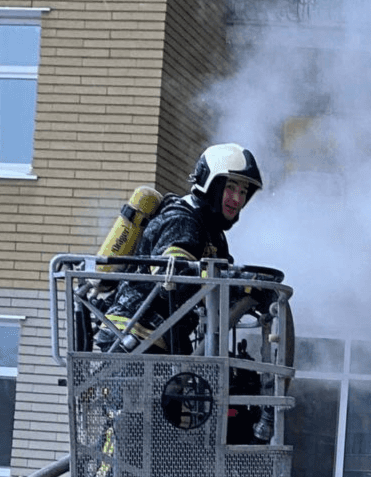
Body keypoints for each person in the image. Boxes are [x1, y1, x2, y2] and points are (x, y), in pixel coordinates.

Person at [97, 143, 263, 353]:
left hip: (160, 336)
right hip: (133, 334)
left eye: (243, 192)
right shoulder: (182, 220)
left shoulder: (213, 233)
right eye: (230, 188)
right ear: (211, 184)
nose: (237, 199)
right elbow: (172, 277)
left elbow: (222, 281)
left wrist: (246, 289)